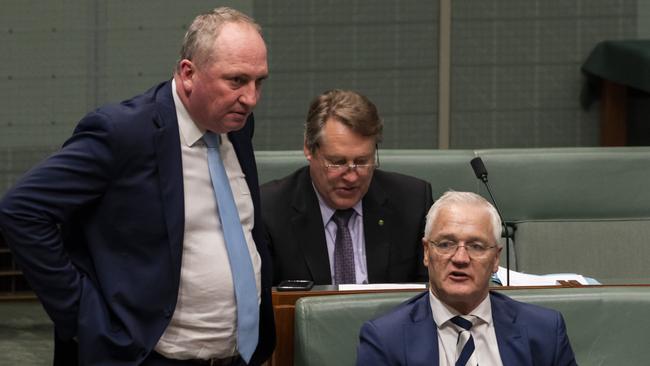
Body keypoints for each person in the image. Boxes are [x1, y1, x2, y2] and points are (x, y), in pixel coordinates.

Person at [0, 7, 275, 366]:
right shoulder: (124, 133)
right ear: (188, 73)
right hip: (146, 356)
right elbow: (21, 210)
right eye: (236, 81)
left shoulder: (236, 128)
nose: (251, 98)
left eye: (259, 82)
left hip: (239, 355)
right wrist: (83, 316)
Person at [356, 191, 577, 366]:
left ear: (495, 259)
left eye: (476, 246)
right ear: (426, 252)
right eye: (446, 244)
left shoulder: (545, 331)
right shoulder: (385, 339)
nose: (460, 258)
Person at [261, 89, 433, 286]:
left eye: (362, 161)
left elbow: (426, 295)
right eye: (337, 162)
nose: (351, 176)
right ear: (309, 149)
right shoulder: (270, 210)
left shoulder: (413, 202)